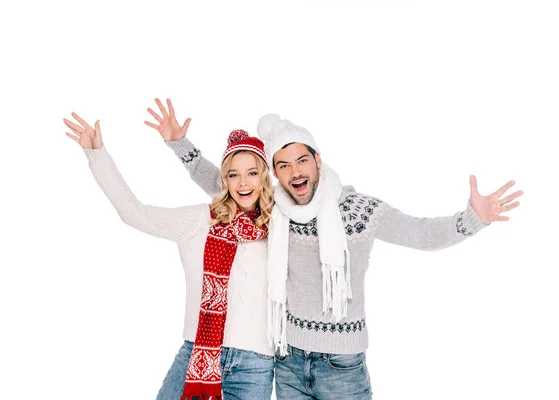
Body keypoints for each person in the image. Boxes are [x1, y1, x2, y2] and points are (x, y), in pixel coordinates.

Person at [158, 107, 523, 399]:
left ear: (318, 160)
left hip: (342, 368)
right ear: (276, 175)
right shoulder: (274, 211)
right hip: (287, 364)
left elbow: (420, 233)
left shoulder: (358, 211)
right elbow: (228, 184)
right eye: (282, 166)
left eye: (301, 160)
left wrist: (473, 219)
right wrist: (180, 145)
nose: (294, 172)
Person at [64, 105, 276, 400]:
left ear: (264, 178)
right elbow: (135, 214)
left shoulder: (277, 228)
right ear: (224, 181)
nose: (243, 182)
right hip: (195, 355)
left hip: (255, 365)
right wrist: (97, 154)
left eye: (252, 173)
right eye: (233, 174)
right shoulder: (199, 220)